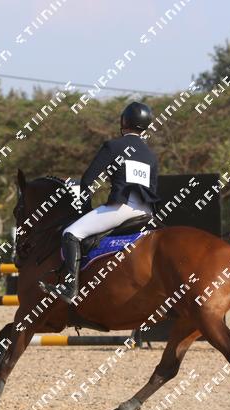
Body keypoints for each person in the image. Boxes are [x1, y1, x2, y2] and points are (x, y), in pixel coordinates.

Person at [39, 101, 160, 304]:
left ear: (124, 122)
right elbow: (153, 189)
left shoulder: (114, 146)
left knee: (71, 233)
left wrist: (85, 210)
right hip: (147, 211)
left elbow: (87, 180)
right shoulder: (150, 155)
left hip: (121, 209)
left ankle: (70, 288)